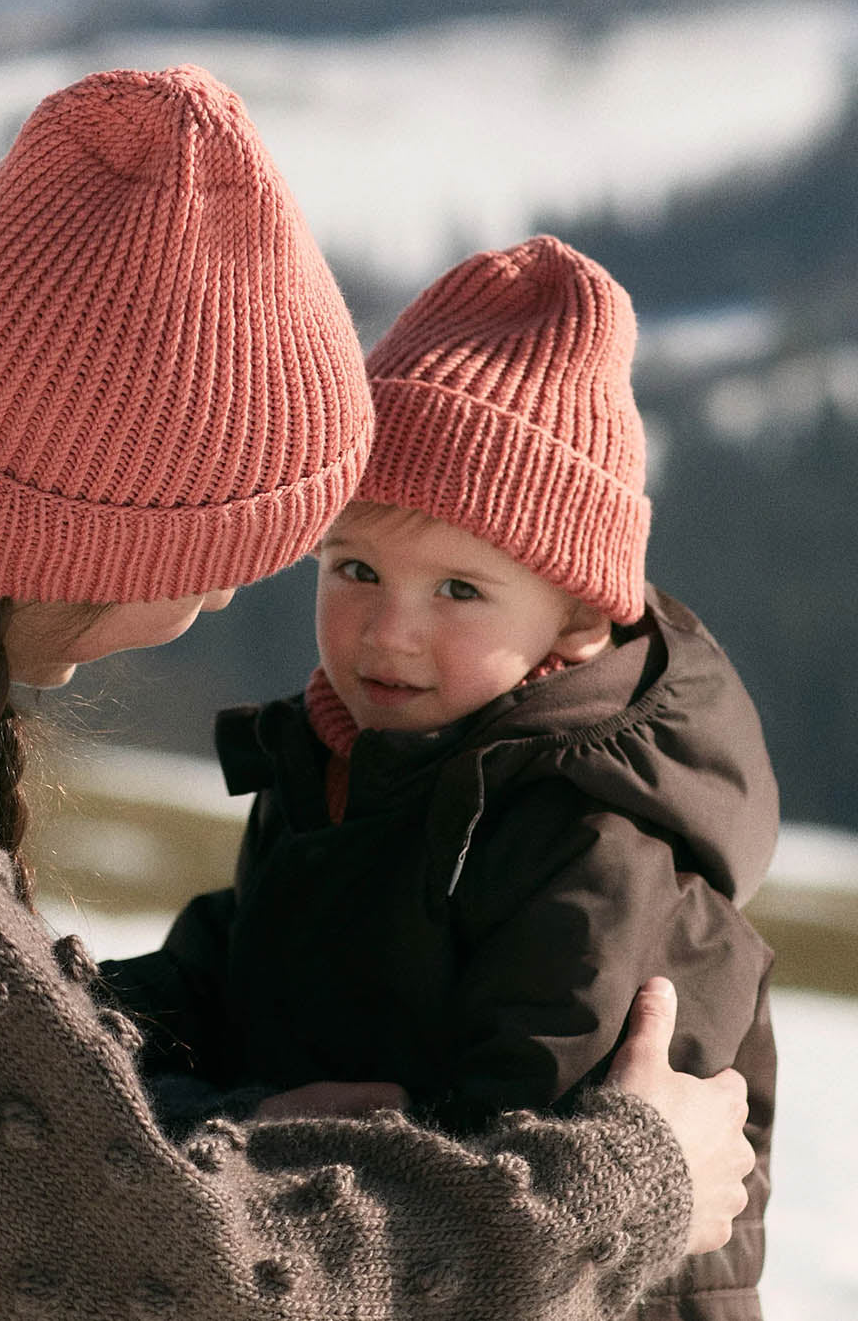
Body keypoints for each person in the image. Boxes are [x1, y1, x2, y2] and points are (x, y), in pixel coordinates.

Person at [0, 66, 755, 1321]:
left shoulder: (588, 849)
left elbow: (4, 1146)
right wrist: (629, 1181)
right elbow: (157, 1276)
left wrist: (227, 1116)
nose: (223, 605)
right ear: (88, 539)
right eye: (237, 556)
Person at [103, 238, 777, 1320]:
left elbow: (546, 1179)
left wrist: (289, 1133)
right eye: (356, 567)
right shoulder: (338, 765)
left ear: (575, 616)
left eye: (460, 588)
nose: (388, 629)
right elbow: (241, 969)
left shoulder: (596, 845)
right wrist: (68, 1017)